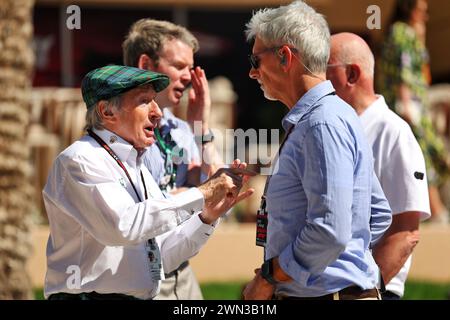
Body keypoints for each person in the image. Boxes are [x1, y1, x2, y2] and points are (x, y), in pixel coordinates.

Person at [42, 65, 254, 300]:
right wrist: (204, 192)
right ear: (106, 111)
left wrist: (206, 217)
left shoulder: (135, 166)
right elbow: (123, 226)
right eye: (145, 101)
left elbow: (163, 254)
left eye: (155, 101)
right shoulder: (80, 160)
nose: (158, 112)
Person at [242, 1, 392, 300]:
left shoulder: (321, 123)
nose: (251, 73)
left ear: (284, 57)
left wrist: (270, 277)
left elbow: (330, 231)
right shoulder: (330, 116)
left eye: (255, 60)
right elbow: (377, 214)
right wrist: (343, 262)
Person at [122, 19, 222, 300]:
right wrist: (193, 194)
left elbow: (219, 193)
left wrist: (201, 126)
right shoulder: (118, 130)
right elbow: (135, 216)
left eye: (191, 68)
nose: (189, 77)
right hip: (140, 278)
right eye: (179, 66)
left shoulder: (180, 130)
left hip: (183, 272)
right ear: (146, 64)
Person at [327, 32, 431, 300]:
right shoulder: (331, 127)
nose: (316, 80)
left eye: (323, 70)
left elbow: (406, 233)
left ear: (351, 74)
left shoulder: (394, 133)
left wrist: (363, 291)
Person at [378, 0, 450, 224]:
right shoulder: (401, 32)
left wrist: (422, 34)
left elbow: (422, 70)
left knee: (428, 155)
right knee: (422, 157)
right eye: (422, 12)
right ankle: (434, 209)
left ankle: (431, 208)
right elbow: (403, 70)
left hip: (417, 104)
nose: (425, 16)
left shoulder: (408, 32)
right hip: (409, 106)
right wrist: (406, 103)